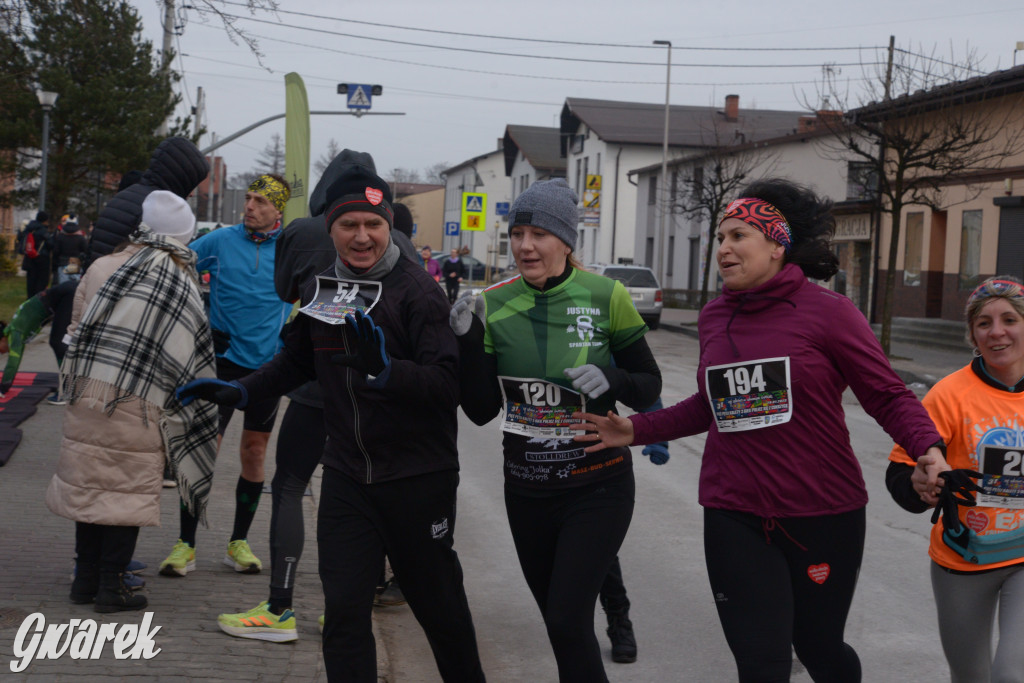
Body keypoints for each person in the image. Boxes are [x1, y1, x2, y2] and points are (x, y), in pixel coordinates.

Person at [573, 178, 950, 683]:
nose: (723, 249)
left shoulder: (830, 314)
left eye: (737, 236)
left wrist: (927, 446)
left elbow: (886, 393)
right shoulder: (713, 318)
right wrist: (635, 429)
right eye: (720, 239)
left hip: (823, 511)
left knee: (820, 649)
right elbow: (709, 406)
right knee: (761, 663)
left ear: (776, 245)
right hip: (735, 512)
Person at [177, 160, 485, 681]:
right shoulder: (324, 289)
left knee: (442, 613)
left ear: (388, 227)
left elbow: (445, 385)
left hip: (416, 478)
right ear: (332, 229)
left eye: (373, 225)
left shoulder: (418, 292)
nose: (362, 237)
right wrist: (239, 389)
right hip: (346, 478)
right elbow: (294, 362)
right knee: (343, 616)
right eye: (349, 225)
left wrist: (387, 372)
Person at [450, 178, 661, 682]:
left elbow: (648, 387)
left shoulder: (606, 296)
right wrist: (466, 342)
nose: (525, 245)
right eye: (518, 232)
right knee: (559, 624)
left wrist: (613, 377)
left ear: (566, 241)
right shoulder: (493, 303)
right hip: (527, 489)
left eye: (539, 233)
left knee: (568, 618)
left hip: (598, 484)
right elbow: (480, 410)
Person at [216, 149, 384, 642]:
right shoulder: (390, 235)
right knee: (356, 494)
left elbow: (287, 293)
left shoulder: (304, 232)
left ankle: (281, 607)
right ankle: (344, 610)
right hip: (373, 386)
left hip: (313, 380)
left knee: (289, 486)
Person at [45, 191, 218, 613]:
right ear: (183, 235)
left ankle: (83, 582)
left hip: (90, 391)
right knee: (124, 493)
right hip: (142, 401)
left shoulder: (102, 266)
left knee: (89, 488)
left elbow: (75, 326)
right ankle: (112, 587)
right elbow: (187, 351)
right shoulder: (178, 279)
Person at [887, 275, 1024, 683]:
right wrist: (919, 486)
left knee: (1011, 674)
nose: (997, 331)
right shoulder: (948, 395)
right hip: (964, 558)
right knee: (972, 678)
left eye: (1009, 319)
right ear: (972, 334)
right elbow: (900, 471)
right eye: (984, 323)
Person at [159, 173, 293, 578]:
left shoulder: (290, 249)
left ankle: (238, 543)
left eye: (259, 201)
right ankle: (185, 544)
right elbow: (175, 265)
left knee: (254, 452)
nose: (249, 206)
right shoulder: (220, 240)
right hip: (221, 363)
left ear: (278, 210)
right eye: (248, 198)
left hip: (268, 369)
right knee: (203, 450)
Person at [88, 136, 208, 264]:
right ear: (181, 179)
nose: (191, 194)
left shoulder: (130, 195)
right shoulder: (156, 207)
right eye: (191, 185)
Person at [0, 279, 78, 404]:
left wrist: (3, 389)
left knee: (57, 342)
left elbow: (13, 362)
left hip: (66, 294)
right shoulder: (14, 327)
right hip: (66, 292)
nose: (2, 353)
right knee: (62, 341)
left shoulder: (15, 331)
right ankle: (72, 383)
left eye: (0, 349)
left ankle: (66, 390)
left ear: (2, 338)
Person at [22, 211, 52, 298]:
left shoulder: (29, 229)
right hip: (42, 258)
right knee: (41, 280)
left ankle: (30, 298)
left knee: (31, 280)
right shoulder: (43, 230)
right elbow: (51, 245)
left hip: (29, 257)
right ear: (45, 220)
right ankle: (38, 298)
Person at [51, 216, 88, 285]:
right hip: (75, 263)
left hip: (62, 263)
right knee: (74, 287)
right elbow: (86, 251)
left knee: (63, 287)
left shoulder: (60, 237)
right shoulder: (80, 237)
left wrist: (54, 267)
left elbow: (56, 252)